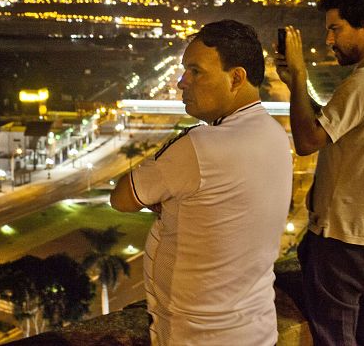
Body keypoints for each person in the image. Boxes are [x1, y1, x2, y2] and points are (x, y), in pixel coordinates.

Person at [111, 19, 293, 346]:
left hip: (200, 336)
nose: (182, 82)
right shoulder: (275, 135)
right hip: (257, 329)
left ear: (236, 77)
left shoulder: (200, 147)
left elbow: (122, 198)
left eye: (196, 72)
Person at [275, 0, 364, 346]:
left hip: (344, 239)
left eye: (336, 29)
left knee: (335, 337)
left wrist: (301, 74)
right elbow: (336, 127)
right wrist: (296, 90)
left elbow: (308, 141)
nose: (330, 40)